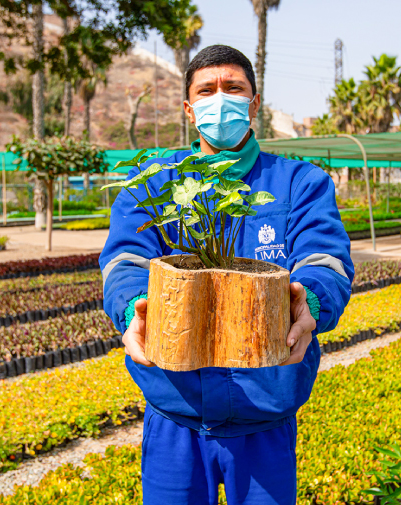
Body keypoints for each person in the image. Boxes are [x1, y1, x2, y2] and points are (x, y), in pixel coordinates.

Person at [100, 44, 354, 505]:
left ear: (254, 103)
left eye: (233, 88)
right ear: (188, 108)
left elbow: (325, 259)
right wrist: (133, 306)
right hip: (175, 408)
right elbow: (125, 260)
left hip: (265, 409)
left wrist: (309, 301)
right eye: (207, 90)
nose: (221, 99)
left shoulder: (300, 182)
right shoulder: (154, 185)